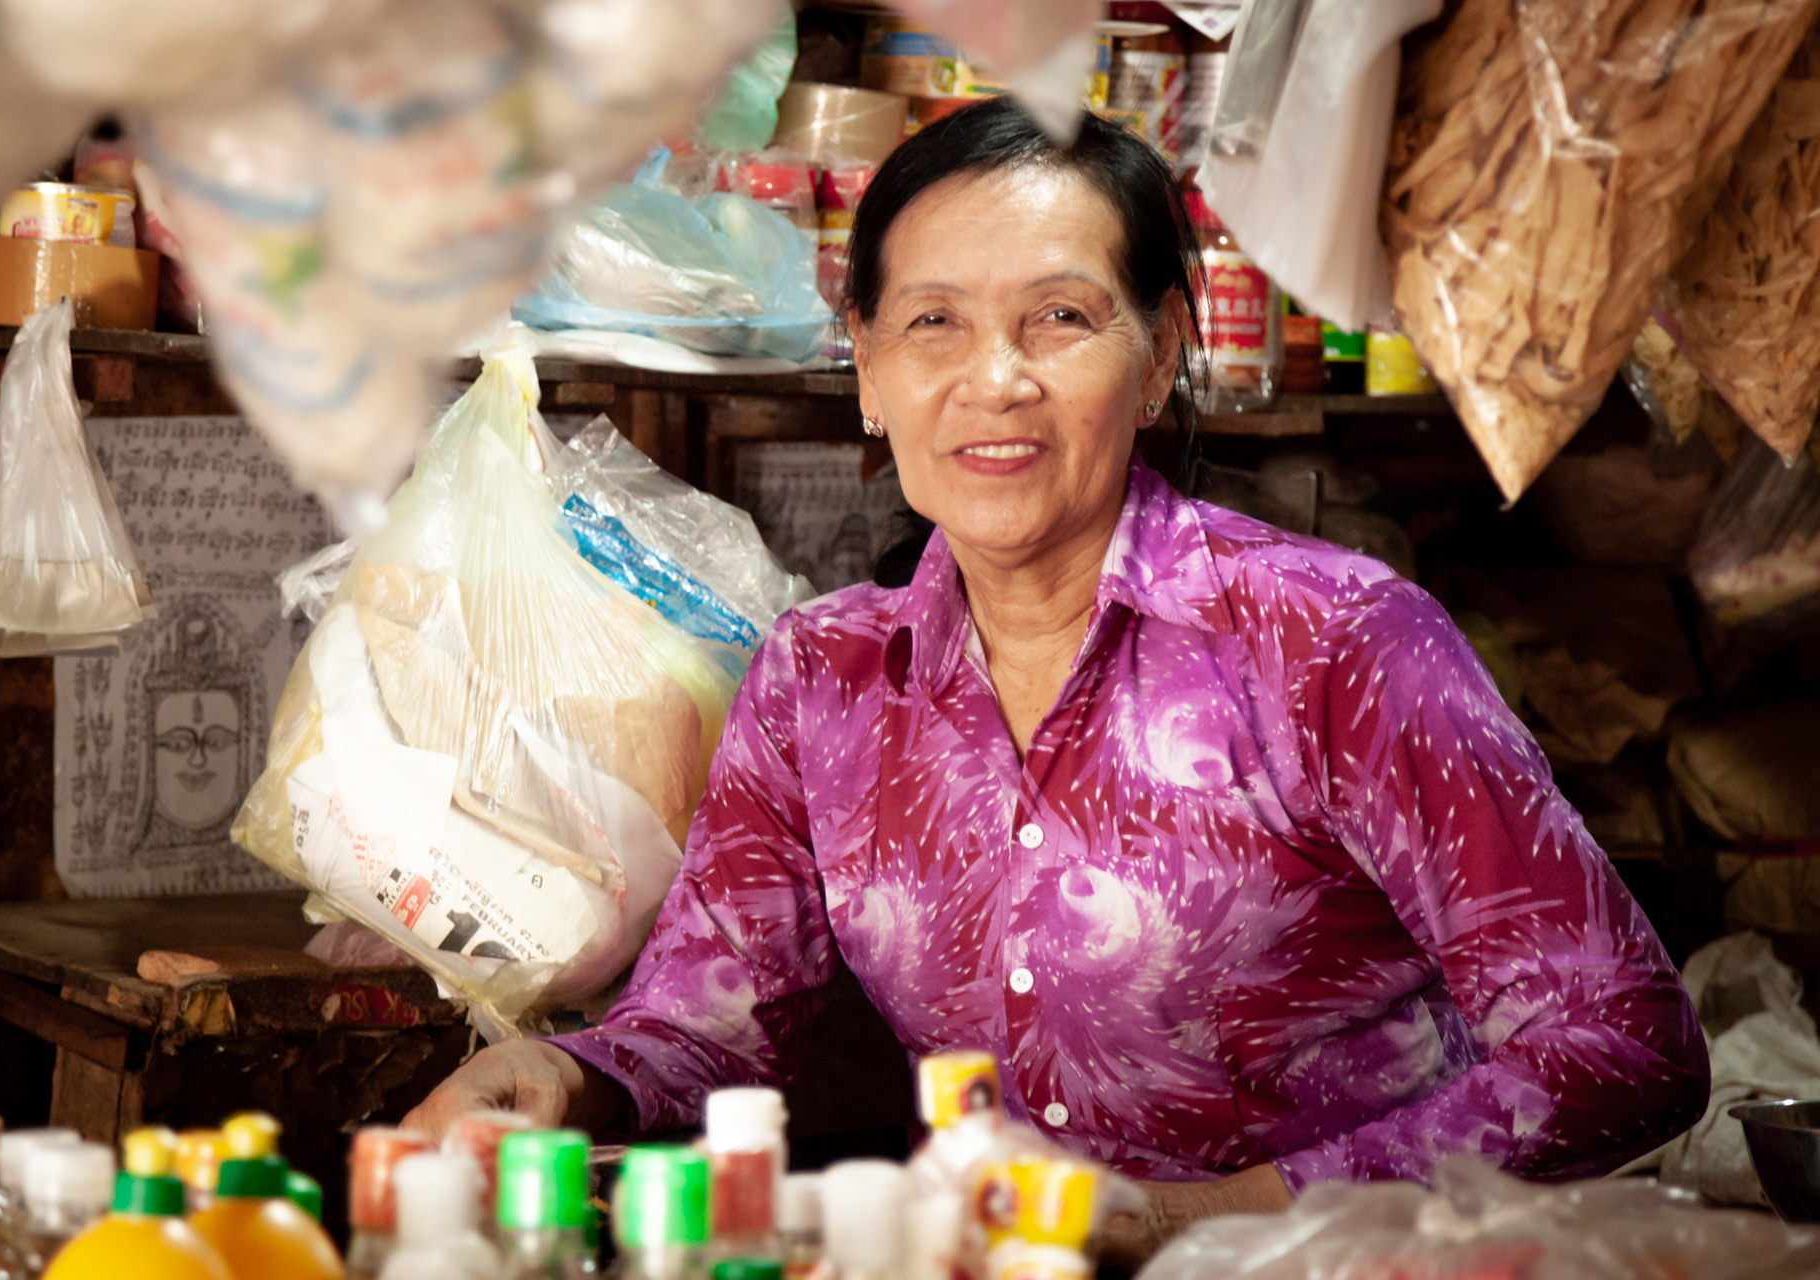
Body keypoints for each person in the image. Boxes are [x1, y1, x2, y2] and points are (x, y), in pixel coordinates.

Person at [404, 99, 1709, 1254]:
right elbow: (705, 1025)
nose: (995, 379)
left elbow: (1624, 1047)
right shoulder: (825, 681)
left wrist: (1194, 1222)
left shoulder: (1338, 644)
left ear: (1161, 357)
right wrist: (559, 1077)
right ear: (865, 370)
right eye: (933, 324)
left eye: (1062, 318)